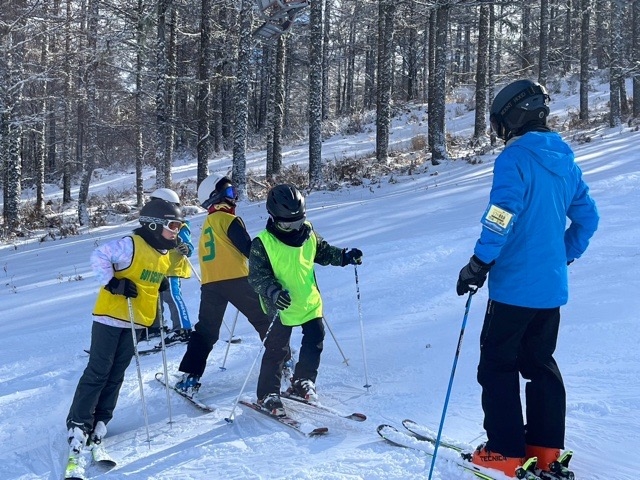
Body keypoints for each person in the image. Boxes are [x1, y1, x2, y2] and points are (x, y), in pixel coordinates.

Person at [455, 79, 599, 478]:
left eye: (499, 122)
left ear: (512, 117)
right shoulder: (565, 161)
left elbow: (502, 213)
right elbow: (589, 219)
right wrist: (561, 255)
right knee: (539, 363)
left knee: (497, 365)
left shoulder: (515, 158)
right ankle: (545, 449)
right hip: (549, 289)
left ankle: (505, 451)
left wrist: (479, 263)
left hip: (515, 287)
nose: (499, 132)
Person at [66, 199, 183, 455]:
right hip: (110, 317)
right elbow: (99, 256)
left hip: (136, 322)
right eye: (173, 225)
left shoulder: (163, 255)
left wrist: (161, 283)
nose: (176, 231)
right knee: (99, 370)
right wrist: (112, 283)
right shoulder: (130, 244)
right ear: (154, 225)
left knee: (117, 373)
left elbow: (151, 275)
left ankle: (100, 419)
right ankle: (78, 421)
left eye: (178, 225)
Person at [248, 184, 363, 416]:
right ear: (273, 218)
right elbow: (256, 277)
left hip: (309, 301)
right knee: (277, 351)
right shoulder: (262, 243)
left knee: (315, 339)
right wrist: (272, 291)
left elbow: (323, 251)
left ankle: (303, 380)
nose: (294, 228)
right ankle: (268, 394)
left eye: (298, 222)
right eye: (288, 224)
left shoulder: (308, 232)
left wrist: (344, 256)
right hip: (280, 306)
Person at [175, 174, 272, 396]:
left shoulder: (208, 223)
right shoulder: (229, 220)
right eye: (230, 193)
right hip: (237, 279)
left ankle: (190, 375)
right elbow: (248, 249)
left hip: (211, 283)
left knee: (206, 331)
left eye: (234, 192)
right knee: (263, 318)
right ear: (215, 197)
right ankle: (283, 360)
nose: (234, 197)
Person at [145, 188, 195, 345]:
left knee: (172, 296)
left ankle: (182, 329)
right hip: (156, 269)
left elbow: (188, 244)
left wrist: (185, 247)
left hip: (172, 268)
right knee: (153, 297)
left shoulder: (179, 225)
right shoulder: (154, 226)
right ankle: (155, 327)